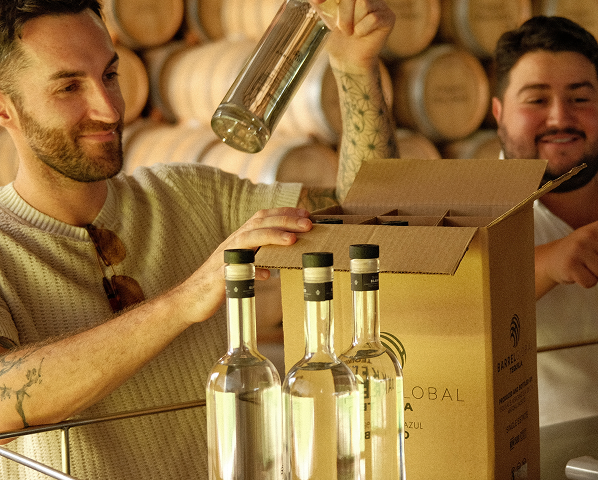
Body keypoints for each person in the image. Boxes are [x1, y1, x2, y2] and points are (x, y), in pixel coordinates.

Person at [0, 0, 397, 478]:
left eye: (110, 75)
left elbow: (367, 215)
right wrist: (187, 299)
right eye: (69, 87)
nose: (109, 109)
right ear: (5, 108)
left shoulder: (190, 193)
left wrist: (355, 67)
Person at [492, 16, 598, 427]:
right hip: (536, 451)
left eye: (580, 98)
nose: (559, 118)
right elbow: (443, 311)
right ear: (499, 112)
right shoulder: (472, 211)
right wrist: (549, 263)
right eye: (536, 100)